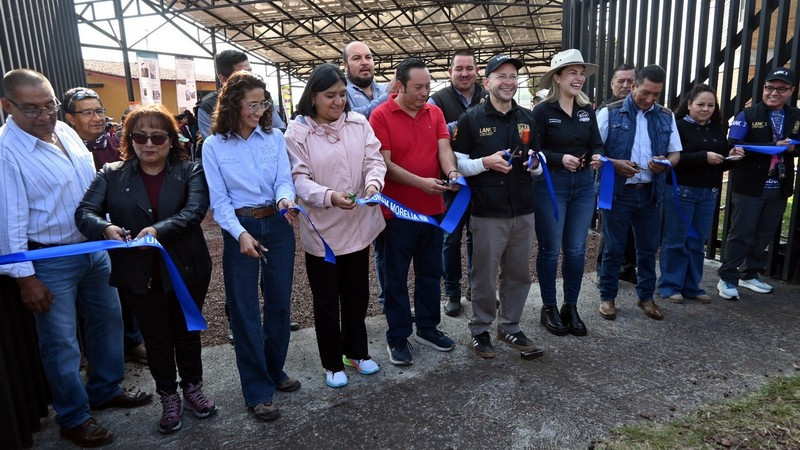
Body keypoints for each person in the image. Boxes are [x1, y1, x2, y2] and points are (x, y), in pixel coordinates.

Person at [0, 69, 151, 448]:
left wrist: (108, 227)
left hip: (93, 249)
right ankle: (73, 416)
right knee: (61, 343)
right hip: (49, 259)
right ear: (8, 106)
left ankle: (104, 388)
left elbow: (90, 192)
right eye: (31, 108)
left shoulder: (66, 133)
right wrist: (25, 277)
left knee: (108, 322)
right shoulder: (7, 152)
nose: (44, 114)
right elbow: (9, 219)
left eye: (49, 105)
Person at [75, 104, 216, 434]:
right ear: (129, 139)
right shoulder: (111, 173)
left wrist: (157, 230)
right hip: (138, 272)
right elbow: (85, 212)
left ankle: (192, 387)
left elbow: (194, 210)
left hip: (185, 266)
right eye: (140, 136)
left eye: (157, 137)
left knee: (187, 331)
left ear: (171, 139)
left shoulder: (190, 170)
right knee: (156, 338)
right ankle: (168, 395)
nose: (149, 144)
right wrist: (104, 229)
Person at [202, 71, 301, 422]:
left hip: (276, 222)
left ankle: (274, 371)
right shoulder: (213, 146)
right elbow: (220, 200)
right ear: (233, 105)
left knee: (278, 304)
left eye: (264, 104)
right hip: (239, 226)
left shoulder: (274, 137)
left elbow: (282, 179)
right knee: (244, 311)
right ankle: (257, 391)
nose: (260, 111)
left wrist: (286, 200)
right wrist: (239, 234)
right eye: (253, 104)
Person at [284, 64, 386, 388]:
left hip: (358, 227)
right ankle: (332, 361)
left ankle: (356, 352)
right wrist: (329, 196)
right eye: (330, 95)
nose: (338, 101)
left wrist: (373, 185)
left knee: (357, 295)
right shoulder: (297, 133)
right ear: (312, 97)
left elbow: (374, 160)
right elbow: (298, 179)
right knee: (326, 300)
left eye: (342, 94)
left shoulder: (358, 123)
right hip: (323, 232)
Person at [451, 54, 544, 359]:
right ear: (486, 81)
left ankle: (510, 326)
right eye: (501, 76)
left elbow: (539, 160)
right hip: (487, 211)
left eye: (513, 77)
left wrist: (536, 166)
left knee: (519, 273)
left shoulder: (528, 118)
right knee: (484, 275)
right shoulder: (471, 119)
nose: (508, 82)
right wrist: (484, 163)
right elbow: (456, 164)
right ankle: (480, 330)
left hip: (523, 209)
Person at [368, 57, 461, 365]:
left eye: (428, 87)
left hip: (433, 210)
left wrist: (451, 173)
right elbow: (385, 165)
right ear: (399, 86)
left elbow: (444, 149)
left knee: (430, 272)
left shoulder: (434, 112)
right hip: (396, 215)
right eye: (418, 87)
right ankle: (397, 336)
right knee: (394, 277)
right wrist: (421, 182)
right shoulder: (380, 116)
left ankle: (427, 327)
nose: (425, 93)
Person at [62, 87, 148, 365]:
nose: (96, 117)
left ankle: (132, 341)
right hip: (73, 237)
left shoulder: (115, 145)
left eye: (99, 111)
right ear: (70, 118)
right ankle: (93, 357)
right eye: (87, 112)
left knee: (123, 288)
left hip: (117, 231)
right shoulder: (61, 149)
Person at [595, 64, 682, 321]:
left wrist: (666, 163)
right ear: (633, 86)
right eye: (645, 92)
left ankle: (646, 297)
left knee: (647, 249)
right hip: (618, 192)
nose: (650, 99)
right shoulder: (609, 113)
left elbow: (675, 152)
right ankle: (607, 297)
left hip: (650, 193)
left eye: (656, 95)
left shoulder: (666, 116)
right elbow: (594, 151)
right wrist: (614, 163)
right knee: (613, 247)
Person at [532, 49, 603, 337]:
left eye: (581, 72)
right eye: (572, 72)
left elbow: (597, 143)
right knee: (550, 250)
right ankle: (548, 306)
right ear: (557, 78)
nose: (579, 77)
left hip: (584, 185)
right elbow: (534, 150)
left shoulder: (587, 111)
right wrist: (560, 158)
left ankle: (570, 306)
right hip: (552, 185)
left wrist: (597, 157)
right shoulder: (542, 111)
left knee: (575, 250)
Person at [717, 68, 799, 300]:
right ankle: (728, 278)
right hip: (750, 186)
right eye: (769, 88)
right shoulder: (748, 114)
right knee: (741, 232)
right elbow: (734, 142)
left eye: (781, 89)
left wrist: (792, 148)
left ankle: (749, 273)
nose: (774, 93)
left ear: (791, 91)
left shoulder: (796, 116)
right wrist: (773, 146)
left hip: (779, 186)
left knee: (764, 233)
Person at [658, 84, 741, 304]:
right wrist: (703, 156)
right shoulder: (677, 127)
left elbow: (720, 164)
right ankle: (669, 285)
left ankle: (692, 285)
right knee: (676, 240)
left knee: (697, 241)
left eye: (711, 105)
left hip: (709, 192)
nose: (706, 109)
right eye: (701, 104)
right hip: (680, 190)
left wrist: (730, 157)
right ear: (689, 104)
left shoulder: (717, 128)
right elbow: (672, 159)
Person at [428, 49, 484, 317]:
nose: (464, 73)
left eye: (469, 68)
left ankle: (476, 288)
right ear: (450, 72)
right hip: (452, 184)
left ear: (477, 71)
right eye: (459, 68)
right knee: (451, 238)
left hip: (483, 180)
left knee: (479, 236)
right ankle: (452, 292)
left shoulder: (488, 96)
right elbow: (430, 140)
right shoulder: (437, 100)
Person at [343, 40, 398, 312]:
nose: (364, 62)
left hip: (387, 172)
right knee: (360, 246)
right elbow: (351, 117)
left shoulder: (381, 89)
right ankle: (362, 306)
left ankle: (389, 300)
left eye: (368, 57)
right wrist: (387, 97)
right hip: (355, 179)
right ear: (346, 65)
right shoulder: (342, 92)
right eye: (356, 58)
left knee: (387, 244)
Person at [596, 63, 638, 283]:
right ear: (612, 84)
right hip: (610, 180)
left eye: (630, 81)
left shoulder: (644, 111)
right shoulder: (605, 111)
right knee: (610, 230)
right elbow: (595, 147)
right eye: (620, 81)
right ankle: (604, 268)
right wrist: (614, 163)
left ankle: (628, 267)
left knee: (632, 229)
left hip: (637, 180)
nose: (625, 85)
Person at [197, 50, 285, 139]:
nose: (259, 112)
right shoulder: (207, 109)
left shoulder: (264, 98)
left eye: (250, 71)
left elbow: (280, 130)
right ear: (223, 79)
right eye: (242, 74)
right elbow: (215, 145)